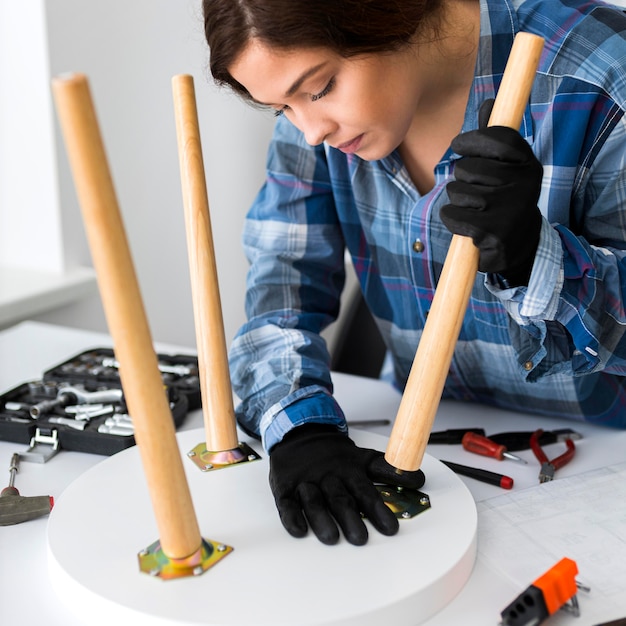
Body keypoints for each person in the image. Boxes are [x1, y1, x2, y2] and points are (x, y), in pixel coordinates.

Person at [201, 0, 626, 545]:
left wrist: (534, 257)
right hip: (435, 453)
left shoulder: (603, 77)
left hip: (607, 465)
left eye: (319, 87)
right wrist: (299, 425)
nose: (309, 131)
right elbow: (281, 285)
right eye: (280, 108)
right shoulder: (319, 124)